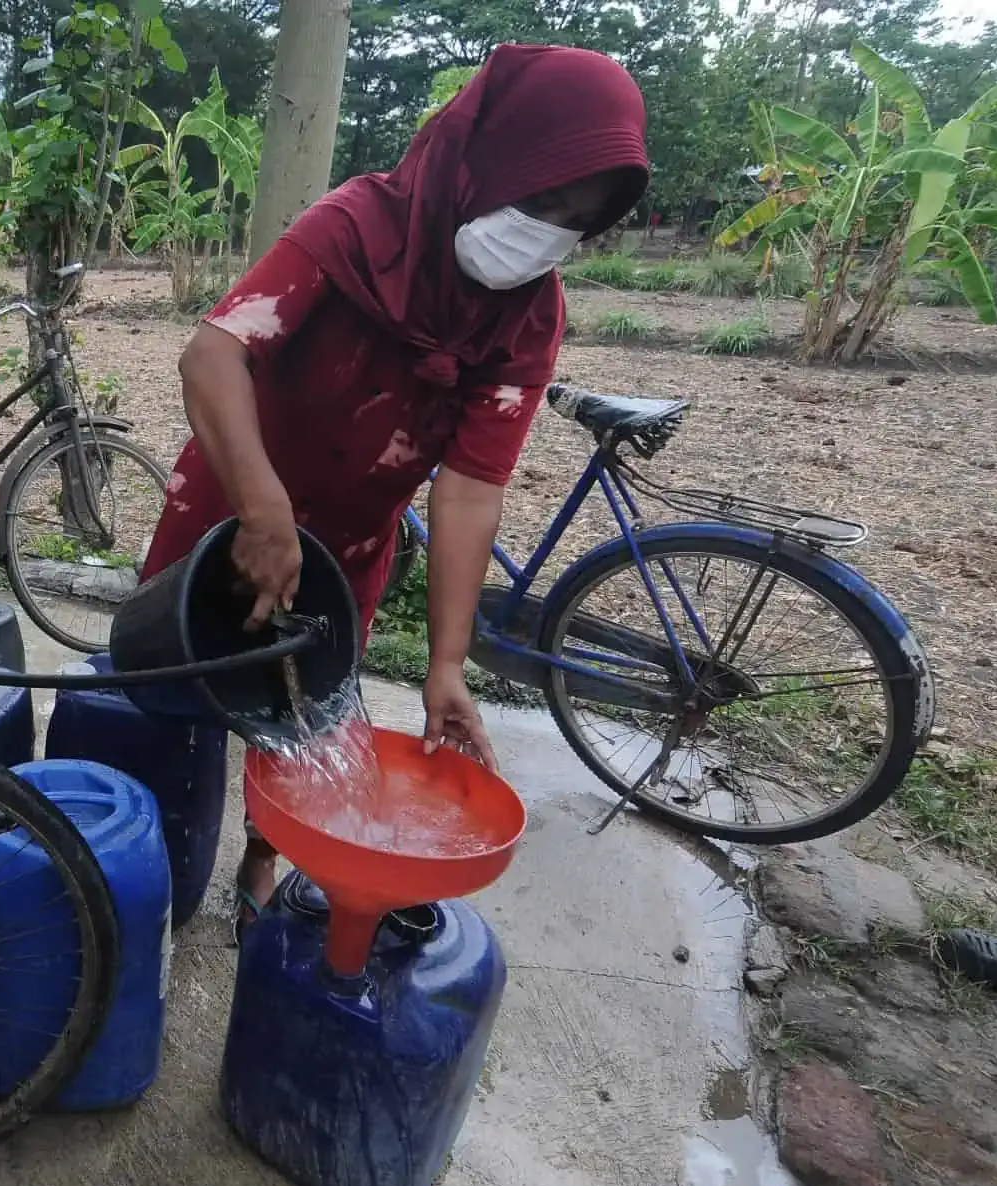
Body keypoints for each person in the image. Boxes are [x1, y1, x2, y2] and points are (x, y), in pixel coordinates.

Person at [146, 44, 650, 937]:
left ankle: (261, 868)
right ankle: (147, 860)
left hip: (345, 551)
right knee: (169, 700)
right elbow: (214, 353)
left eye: (573, 223)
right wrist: (263, 514)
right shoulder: (356, 228)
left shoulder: (529, 314)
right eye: (537, 201)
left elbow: (470, 487)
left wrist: (447, 664)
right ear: (482, 161)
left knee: (306, 724)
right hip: (231, 509)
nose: (543, 234)